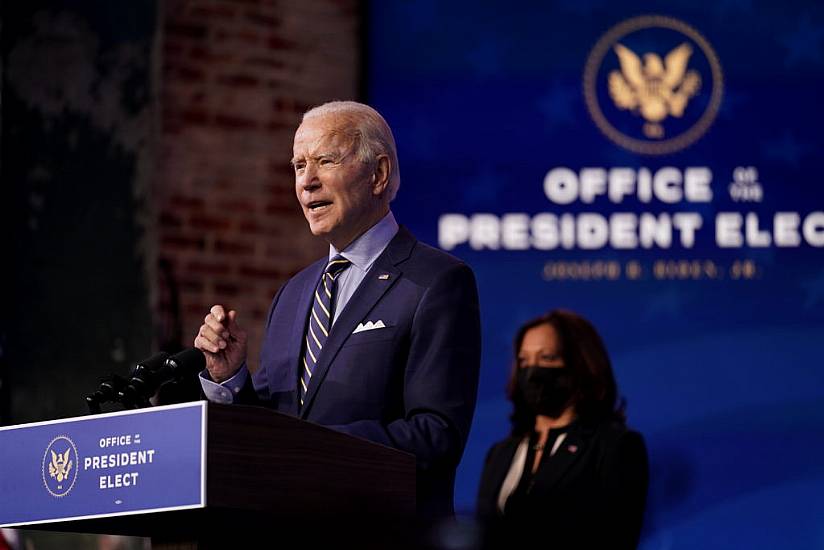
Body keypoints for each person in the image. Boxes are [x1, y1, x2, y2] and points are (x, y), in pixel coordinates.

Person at [193, 101, 481, 519]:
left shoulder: (436, 280)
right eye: (298, 165)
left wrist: (310, 448)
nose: (306, 182)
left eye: (325, 161)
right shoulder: (293, 293)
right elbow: (274, 427)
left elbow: (435, 436)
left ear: (378, 174)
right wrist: (231, 380)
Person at [476, 310, 648, 548]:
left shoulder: (615, 447)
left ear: (581, 364)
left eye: (546, 358)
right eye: (524, 361)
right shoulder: (500, 454)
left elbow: (617, 538)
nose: (532, 372)